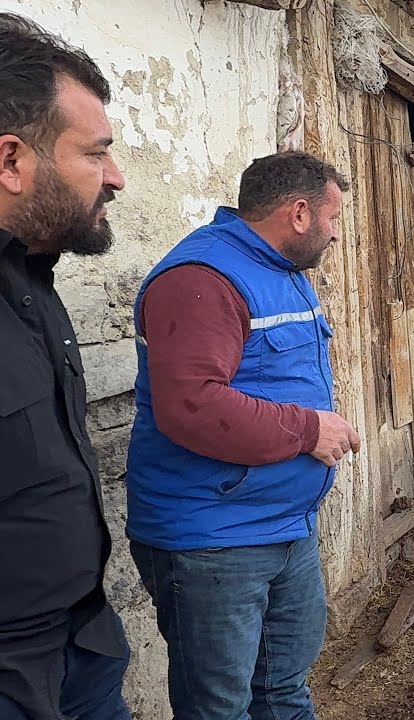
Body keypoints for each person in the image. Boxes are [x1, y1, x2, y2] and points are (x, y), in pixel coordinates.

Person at [126, 151, 362, 720]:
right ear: (299, 213)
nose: (335, 234)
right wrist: (309, 430)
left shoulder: (279, 274)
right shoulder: (202, 279)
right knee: (220, 709)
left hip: (284, 526)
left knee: (283, 691)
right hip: (213, 538)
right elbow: (193, 407)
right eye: (333, 218)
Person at [0, 12, 132, 720]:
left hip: (84, 648)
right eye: (95, 154)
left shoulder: (33, 284)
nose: (115, 177)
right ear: (11, 161)